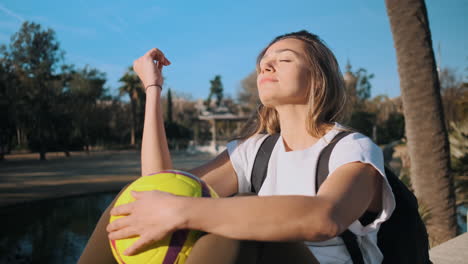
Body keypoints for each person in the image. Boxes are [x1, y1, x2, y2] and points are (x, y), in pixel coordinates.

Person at [78, 30, 395, 264]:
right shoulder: (255, 151)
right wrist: (152, 88)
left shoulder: (352, 148)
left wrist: (184, 211)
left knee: (238, 219)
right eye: (263, 63)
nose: (266, 67)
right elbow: (160, 190)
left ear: (318, 79)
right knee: (130, 201)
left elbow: (325, 218)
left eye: (284, 59)